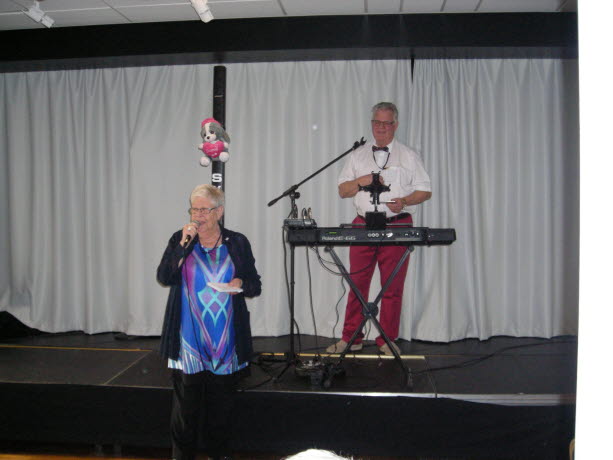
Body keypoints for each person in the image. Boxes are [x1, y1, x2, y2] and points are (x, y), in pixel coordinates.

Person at [157, 184, 262, 460]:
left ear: (219, 211)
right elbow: (165, 277)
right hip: (188, 342)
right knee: (185, 413)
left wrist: (240, 282)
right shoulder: (180, 239)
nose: (198, 215)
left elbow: (254, 284)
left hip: (226, 343)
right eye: (195, 209)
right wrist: (183, 245)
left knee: (221, 412)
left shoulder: (237, 242)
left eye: (205, 209)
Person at [326, 102, 431, 356]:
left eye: (386, 123)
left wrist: (404, 200)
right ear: (371, 123)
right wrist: (361, 181)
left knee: (392, 286)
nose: (381, 127)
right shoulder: (358, 155)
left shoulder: (409, 155)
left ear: (396, 125)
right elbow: (343, 190)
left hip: (398, 224)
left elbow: (425, 191)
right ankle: (351, 337)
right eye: (377, 122)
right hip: (363, 224)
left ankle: (387, 339)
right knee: (357, 283)